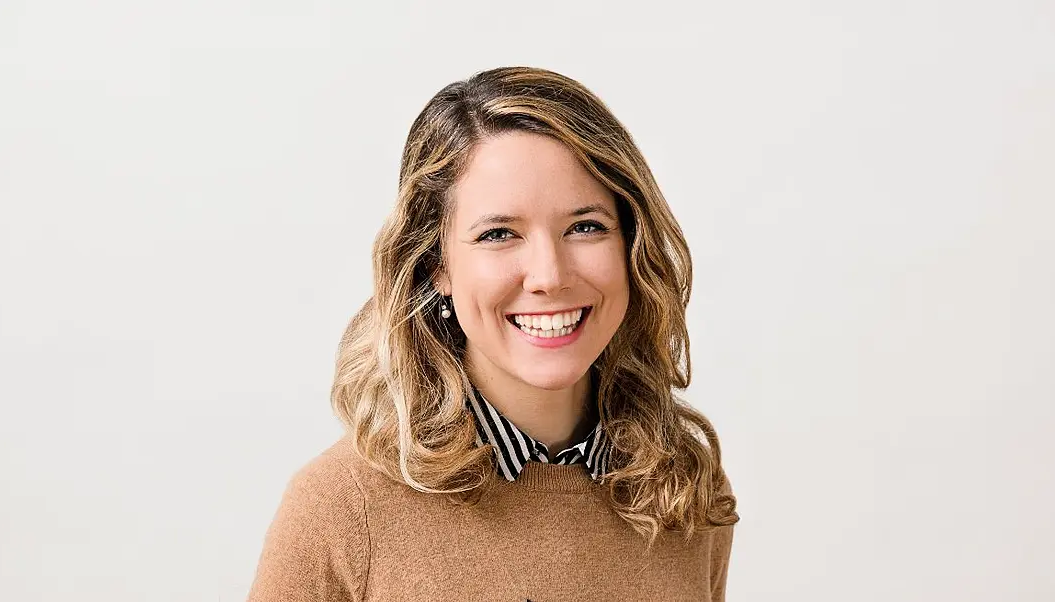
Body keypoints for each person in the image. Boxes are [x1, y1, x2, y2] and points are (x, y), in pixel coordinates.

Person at [246, 66, 740, 601]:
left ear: (631, 246)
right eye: (499, 233)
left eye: (585, 226)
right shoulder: (342, 510)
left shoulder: (684, 490)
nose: (549, 276)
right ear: (436, 262)